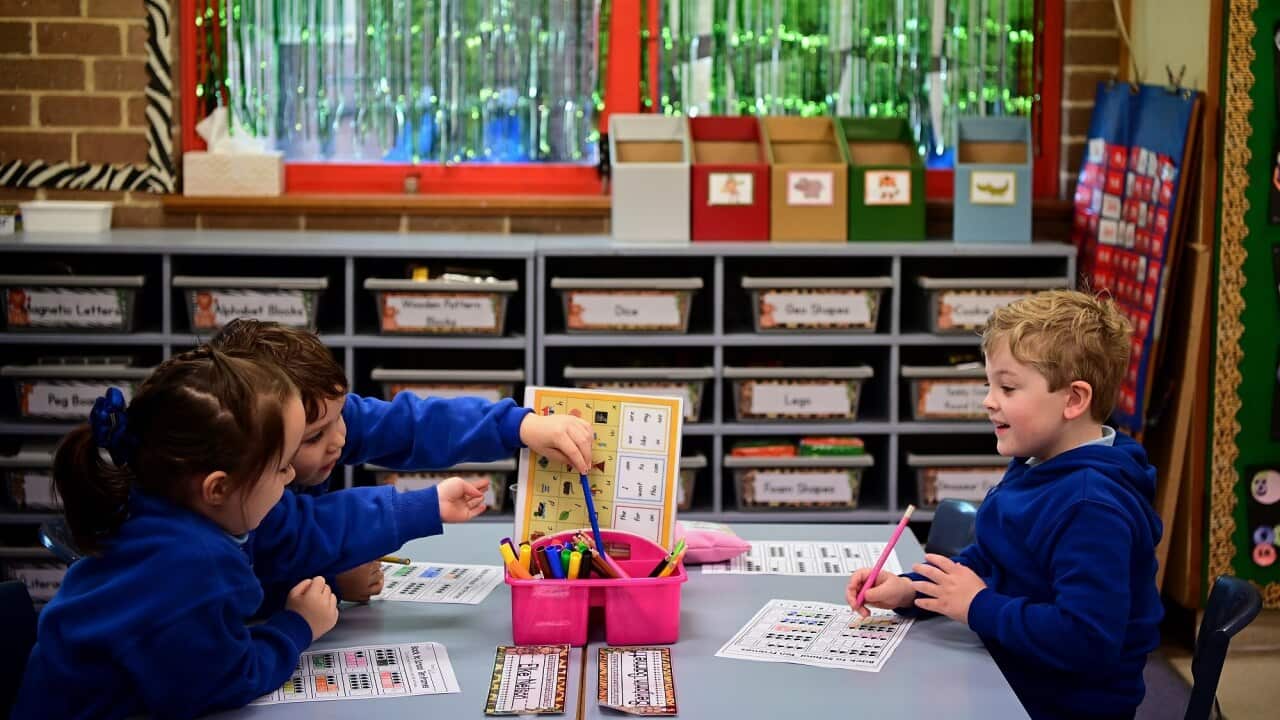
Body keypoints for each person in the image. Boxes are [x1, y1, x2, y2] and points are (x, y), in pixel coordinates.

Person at [13, 348, 489, 719]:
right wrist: (297, 626)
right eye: (282, 468)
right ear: (218, 487)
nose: (289, 483)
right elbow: (219, 685)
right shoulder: (192, 563)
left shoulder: (161, 513)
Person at [847, 290, 1163, 720]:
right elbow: (994, 559)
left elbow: (1087, 639)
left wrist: (978, 606)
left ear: (1073, 399)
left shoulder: (1092, 507)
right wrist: (910, 590)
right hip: (1009, 671)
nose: (988, 400)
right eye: (989, 385)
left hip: (1059, 703)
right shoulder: (1038, 464)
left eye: (1008, 387)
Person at [210, 319, 593, 602]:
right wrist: (334, 575)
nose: (339, 439)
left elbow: (412, 424)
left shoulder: (319, 415)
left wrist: (520, 426)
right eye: (313, 437)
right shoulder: (240, 495)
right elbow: (299, 536)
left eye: (341, 415)